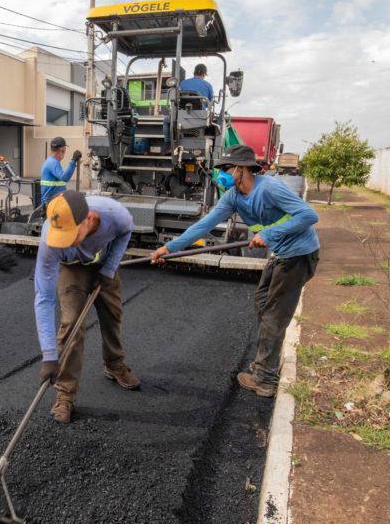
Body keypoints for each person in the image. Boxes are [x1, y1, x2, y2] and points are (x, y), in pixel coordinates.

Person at [150, 144, 319, 397]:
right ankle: (267, 362)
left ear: (241, 169)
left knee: (274, 315)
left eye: (226, 168)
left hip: (299, 254)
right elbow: (204, 224)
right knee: (263, 304)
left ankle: (265, 379)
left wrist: (269, 233)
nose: (221, 174)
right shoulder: (233, 196)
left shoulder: (269, 188)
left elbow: (309, 215)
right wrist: (170, 247)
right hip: (282, 253)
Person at [35, 190, 141, 424]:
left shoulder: (115, 215)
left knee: (113, 313)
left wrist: (109, 268)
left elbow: (125, 233)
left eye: (71, 235)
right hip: (72, 269)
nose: (64, 243)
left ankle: (114, 365)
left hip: (103, 264)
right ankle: (65, 394)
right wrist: (49, 355)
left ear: (89, 219)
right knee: (72, 324)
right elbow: (43, 298)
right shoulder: (50, 240)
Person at [39, 136, 82, 208]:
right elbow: (64, 178)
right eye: (64, 151)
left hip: (54, 201)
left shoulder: (51, 162)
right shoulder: (52, 163)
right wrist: (73, 161)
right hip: (52, 203)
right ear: (62, 150)